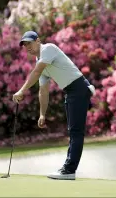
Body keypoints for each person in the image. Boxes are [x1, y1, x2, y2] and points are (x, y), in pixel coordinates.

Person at [12, 30, 95, 180]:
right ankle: (68, 168)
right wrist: (42, 114)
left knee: (76, 132)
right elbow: (43, 91)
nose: (27, 47)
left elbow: (36, 72)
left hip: (79, 89)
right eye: (25, 45)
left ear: (38, 40)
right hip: (71, 92)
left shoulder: (48, 49)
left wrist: (21, 90)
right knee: (73, 131)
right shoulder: (41, 62)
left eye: (29, 43)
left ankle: (69, 170)